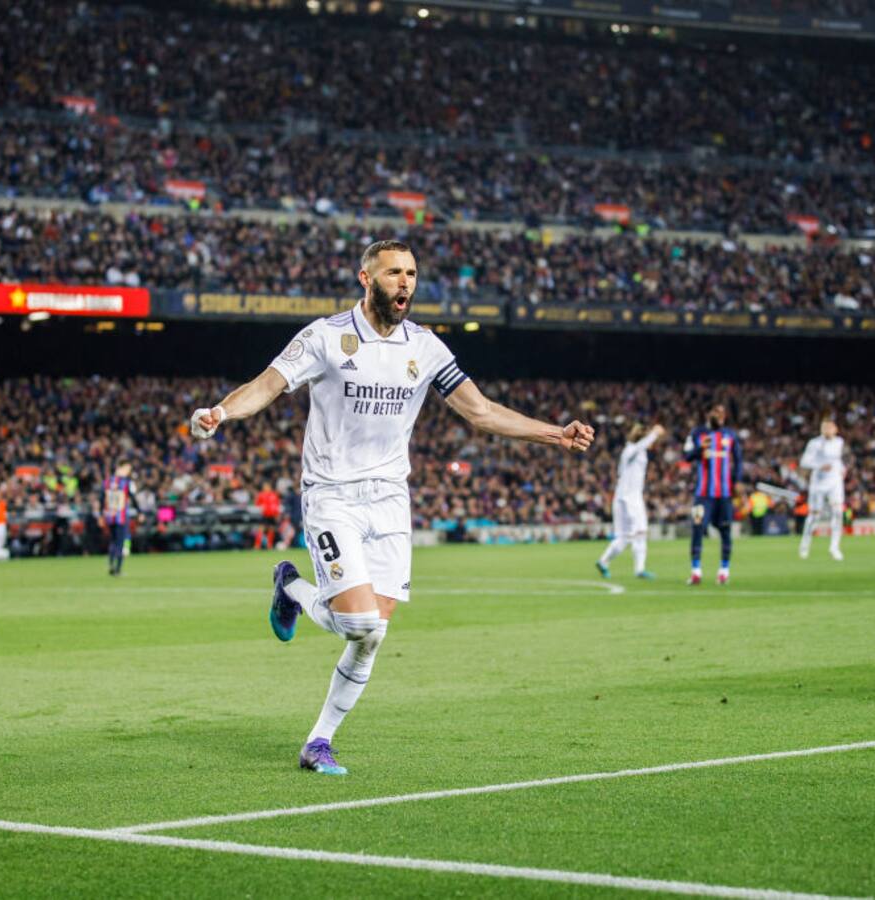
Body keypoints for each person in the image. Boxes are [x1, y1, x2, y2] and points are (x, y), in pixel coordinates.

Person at [188, 239, 593, 776]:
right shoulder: (325, 337)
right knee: (358, 622)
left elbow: (481, 411)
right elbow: (265, 386)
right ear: (366, 278)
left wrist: (554, 434)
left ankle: (318, 742)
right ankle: (290, 586)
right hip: (332, 496)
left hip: (390, 502)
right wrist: (219, 412)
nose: (405, 282)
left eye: (411, 273)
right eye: (394, 273)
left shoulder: (424, 347)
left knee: (373, 633)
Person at [683, 403, 742, 585]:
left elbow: (739, 460)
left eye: (723, 412)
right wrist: (701, 450)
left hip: (724, 495)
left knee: (725, 530)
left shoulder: (730, 435)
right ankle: (696, 572)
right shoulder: (696, 433)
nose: (720, 415)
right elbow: (686, 456)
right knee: (697, 528)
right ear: (708, 414)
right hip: (703, 494)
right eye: (716, 412)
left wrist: (737, 481)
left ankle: (724, 571)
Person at [597, 423, 664, 580]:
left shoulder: (636, 451)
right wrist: (654, 433)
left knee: (624, 536)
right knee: (639, 532)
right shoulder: (631, 450)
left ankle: (603, 561)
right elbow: (640, 446)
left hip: (622, 497)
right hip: (630, 498)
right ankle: (640, 569)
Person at [798, 415, 846, 561]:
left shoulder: (839, 442)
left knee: (838, 513)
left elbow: (836, 460)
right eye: (824, 427)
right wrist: (819, 466)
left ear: (835, 429)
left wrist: (842, 468)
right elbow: (804, 462)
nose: (827, 430)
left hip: (835, 482)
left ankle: (834, 547)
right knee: (814, 517)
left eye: (830, 427)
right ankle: (804, 546)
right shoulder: (814, 443)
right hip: (818, 484)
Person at [102, 460, 137, 576]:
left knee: (113, 541)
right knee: (120, 542)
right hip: (120, 516)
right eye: (127, 468)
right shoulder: (125, 482)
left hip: (109, 516)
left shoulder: (107, 482)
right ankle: (118, 569)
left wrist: (100, 513)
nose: (128, 471)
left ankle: (111, 565)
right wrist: (140, 511)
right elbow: (132, 497)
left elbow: (101, 498)